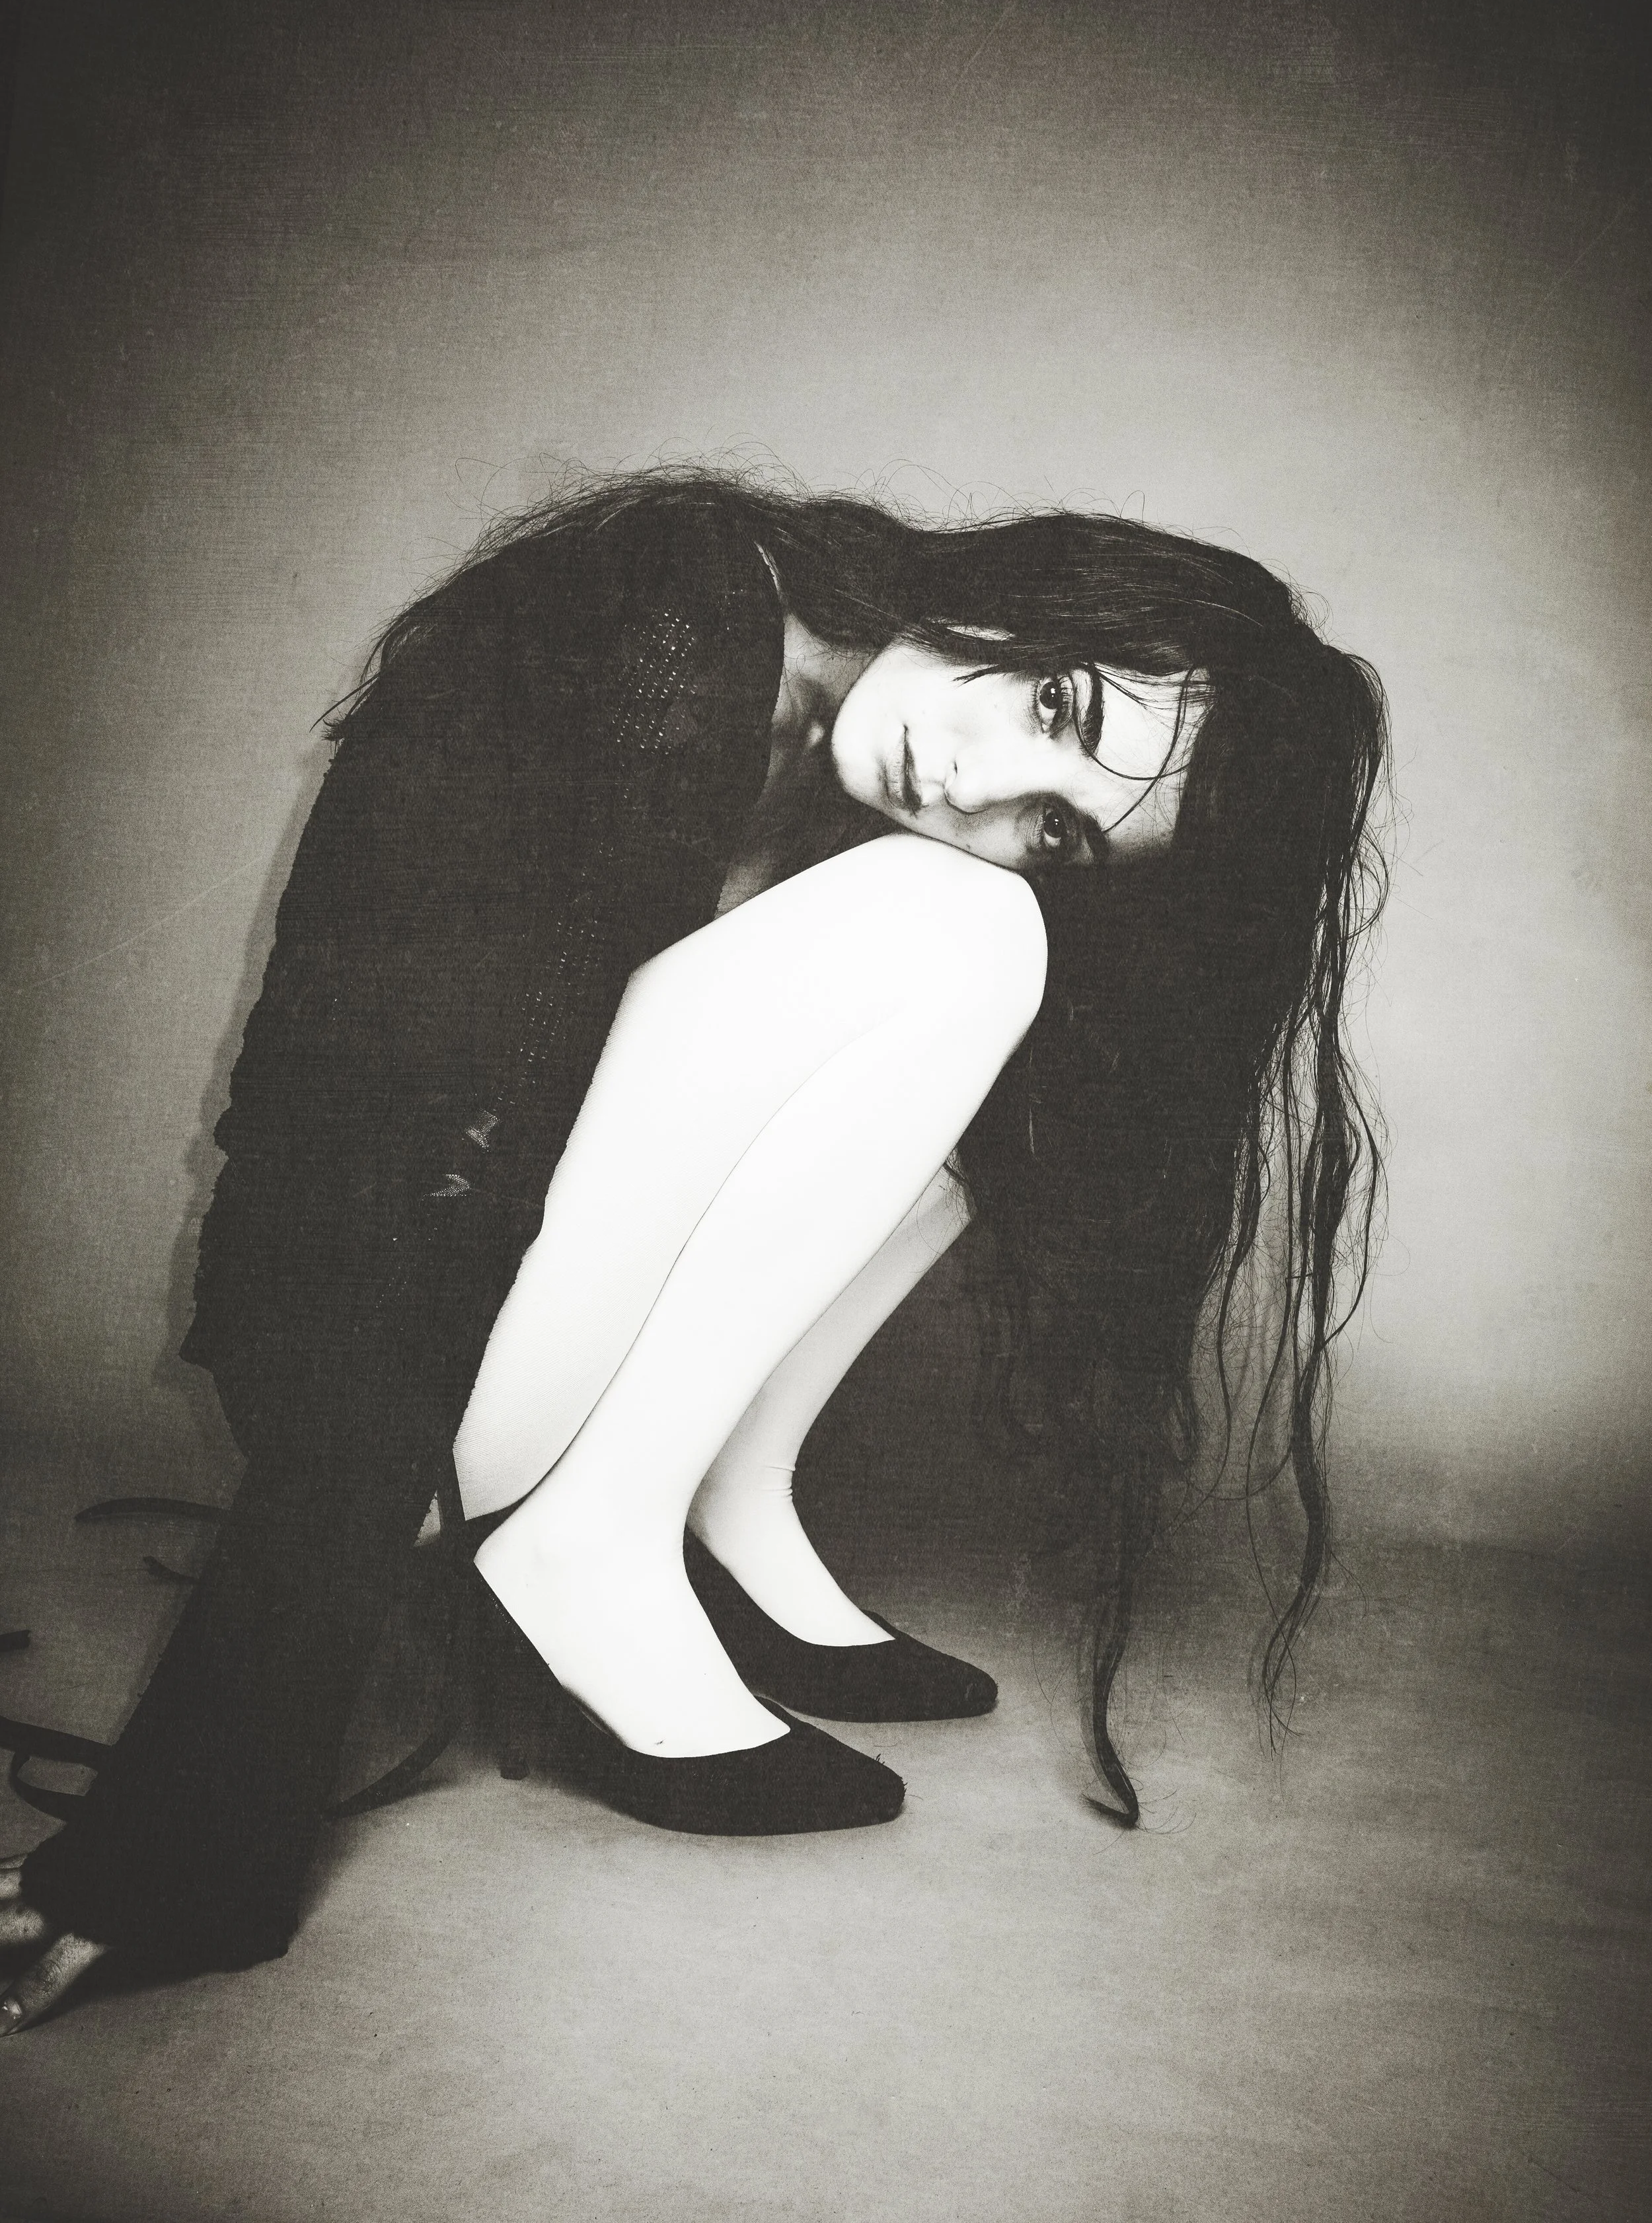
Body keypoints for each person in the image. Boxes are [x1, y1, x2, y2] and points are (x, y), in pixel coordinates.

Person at [0, 472, 1388, 2029]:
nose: (982, 789)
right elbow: (381, 1180)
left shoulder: (818, 690)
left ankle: (726, 1506)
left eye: (1054, 825)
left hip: (504, 1322)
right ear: (1045, 590)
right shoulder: (660, 623)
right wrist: (184, 1834)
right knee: (969, 928)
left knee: (1041, 1002)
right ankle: (588, 1540)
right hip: (386, 1359)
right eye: (1055, 706)